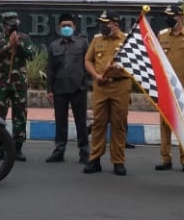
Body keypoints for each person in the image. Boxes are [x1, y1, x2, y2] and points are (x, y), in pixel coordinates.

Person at [155, 4, 184, 173]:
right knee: (165, 124)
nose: (168, 19)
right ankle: (165, 159)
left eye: (172, 16)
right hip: (165, 87)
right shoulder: (161, 35)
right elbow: (156, 60)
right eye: (167, 16)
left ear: (180, 17)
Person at [83, 10, 131, 176]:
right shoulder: (97, 39)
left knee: (119, 124)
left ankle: (118, 161)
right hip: (100, 86)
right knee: (98, 123)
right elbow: (88, 60)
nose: (102, 26)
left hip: (120, 86)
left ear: (115, 24)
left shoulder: (127, 41)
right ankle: (94, 159)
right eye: (101, 23)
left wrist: (120, 67)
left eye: (106, 23)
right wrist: (96, 75)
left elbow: (135, 64)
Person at [0, 11, 35, 161]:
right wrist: (8, 47)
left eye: (15, 26)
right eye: (10, 26)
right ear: (4, 25)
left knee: (20, 114)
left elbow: (31, 55)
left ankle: (18, 147)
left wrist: (18, 45)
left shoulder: (25, 38)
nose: (13, 29)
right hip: (3, 81)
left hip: (19, 82)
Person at [44, 13, 90, 164]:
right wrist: (49, 90)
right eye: (63, 26)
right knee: (60, 122)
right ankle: (59, 151)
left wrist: (87, 85)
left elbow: (88, 64)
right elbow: (50, 69)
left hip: (78, 88)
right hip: (59, 89)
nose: (66, 28)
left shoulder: (82, 43)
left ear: (74, 27)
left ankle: (84, 152)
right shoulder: (54, 46)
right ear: (59, 28)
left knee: (81, 122)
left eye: (69, 25)